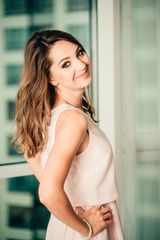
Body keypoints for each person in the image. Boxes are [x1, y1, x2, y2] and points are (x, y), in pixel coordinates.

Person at [12, 30, 124, 239]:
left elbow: (31, 155)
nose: (81, 64)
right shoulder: (73, 120)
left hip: (69, 223)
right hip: (90, 225)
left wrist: (72, 205)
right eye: (66, 64)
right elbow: (48, 193)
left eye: (79, 53)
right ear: (50, 77)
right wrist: (86, 228)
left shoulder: (48, 117)